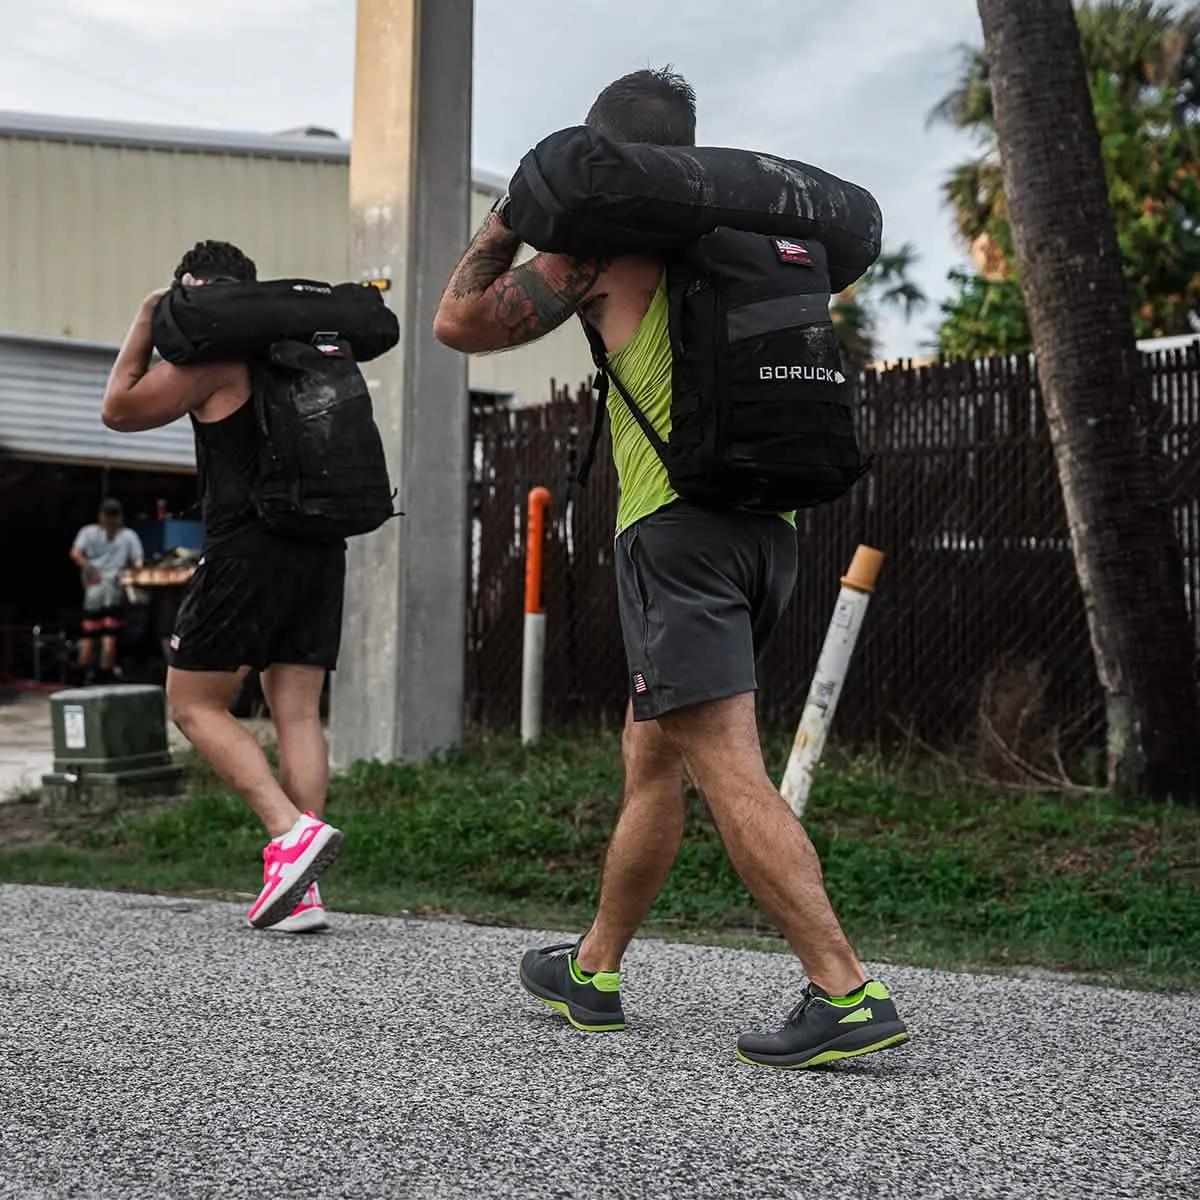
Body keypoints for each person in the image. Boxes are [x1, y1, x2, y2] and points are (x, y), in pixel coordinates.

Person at [433, 68, 909, 1069]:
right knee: (654, 759)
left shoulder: (600, 248)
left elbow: (460, 322)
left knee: (724, 761)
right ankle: (595, 969)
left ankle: (845, 989)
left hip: (674, 534)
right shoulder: (756, 239)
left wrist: (507, 219)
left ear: (602, 159)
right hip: (768, 537)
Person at [100, 240, 343, 934]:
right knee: (295, 707)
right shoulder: (295, 348)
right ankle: (304, 887)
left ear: (196, 291)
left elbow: (119, 409)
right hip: (320, 546)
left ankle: (287, 834)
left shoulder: (209, 356)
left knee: (191, 701)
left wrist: (148, 317)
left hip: (248, 544)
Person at [69, 498, 144, 683]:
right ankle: (104, 675)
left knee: (89, 634)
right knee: (109, 635)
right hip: (113, 589)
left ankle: (80, 676)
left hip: (94, 588)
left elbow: (75, 554)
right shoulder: (128, 536)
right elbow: (137, 563)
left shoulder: (88, 532)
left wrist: (89, 569)